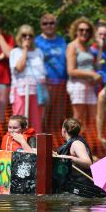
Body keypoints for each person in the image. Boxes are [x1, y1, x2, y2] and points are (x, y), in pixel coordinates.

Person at [35, 13, 69, 147]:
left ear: (56, 25)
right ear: (41, 25)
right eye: (45, 23)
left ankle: (55, 145)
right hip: (44, 85)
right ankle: (42, 146)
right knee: (43, 117)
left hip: (61, 83)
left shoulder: (62, 41)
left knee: (57, 118)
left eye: (51, 23)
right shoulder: (37, 41)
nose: (48, 26)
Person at [9, 24, 47, 133]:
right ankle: (18, 146)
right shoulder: (15, 52)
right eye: (24, 35)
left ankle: (34, 147)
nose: (27, 38)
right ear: (19, 37)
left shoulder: (38, 52)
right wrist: (25, 49)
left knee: (36, 123)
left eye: (30, 35)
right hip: (21, 91)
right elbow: (19, 68)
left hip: (36, 91)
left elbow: (42, 72)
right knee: (19, 122)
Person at [66, 17, 100, 126]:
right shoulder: (72, 46)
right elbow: (71, 71)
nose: (84, 32)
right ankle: (73, 142)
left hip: (89, 85)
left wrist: (93, 78)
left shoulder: (88, 47)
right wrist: (91, 74)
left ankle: (90, 142)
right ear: (76, 31)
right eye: (81, 30)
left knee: (93, 117)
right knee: (78, 118)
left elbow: (91, 66)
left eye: (87, 30)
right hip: (77, 85)